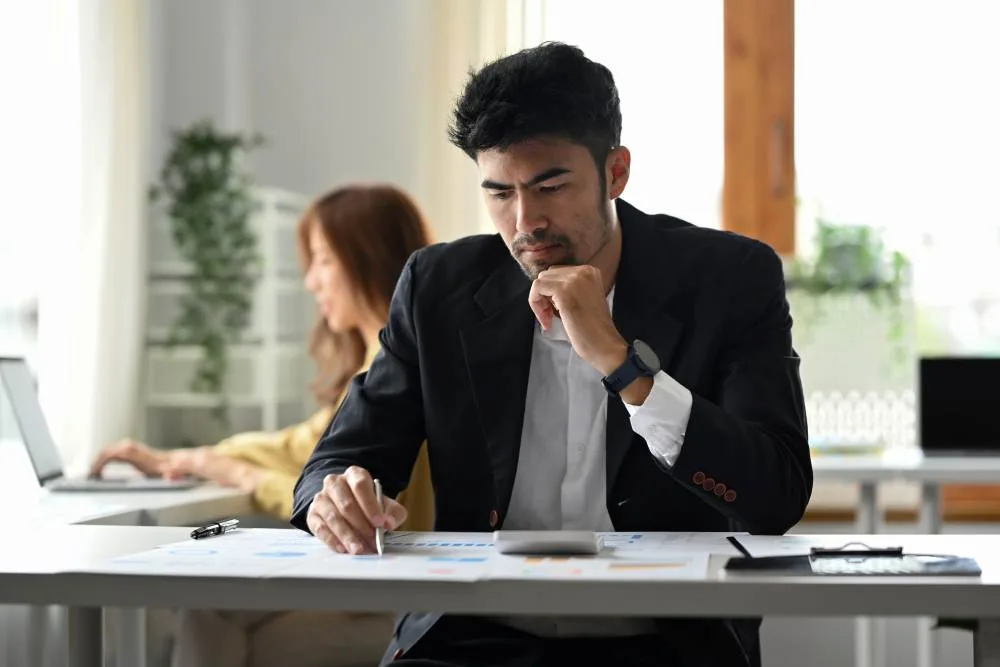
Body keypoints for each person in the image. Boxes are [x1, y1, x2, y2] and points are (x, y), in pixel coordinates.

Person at [292, 42, 812, 667]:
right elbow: (344, 456)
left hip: (666, 644)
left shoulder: (728, 277)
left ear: (615, 172)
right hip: (470, 641)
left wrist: (625, 367)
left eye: (551, 185)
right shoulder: (439, 287)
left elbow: (775, 496)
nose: (525, 222)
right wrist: (337, 494)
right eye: (499, 194)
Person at [90, 184, 436, 667]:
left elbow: (353, 500)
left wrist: (243, 476)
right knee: (209, 611)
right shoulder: (371, 368)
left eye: (322, 261)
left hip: (397, 586)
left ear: (367, 260)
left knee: (215, 617)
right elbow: (298, 445)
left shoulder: (405, 371)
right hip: (368, 582)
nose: (311, 282)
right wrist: (186, 460)